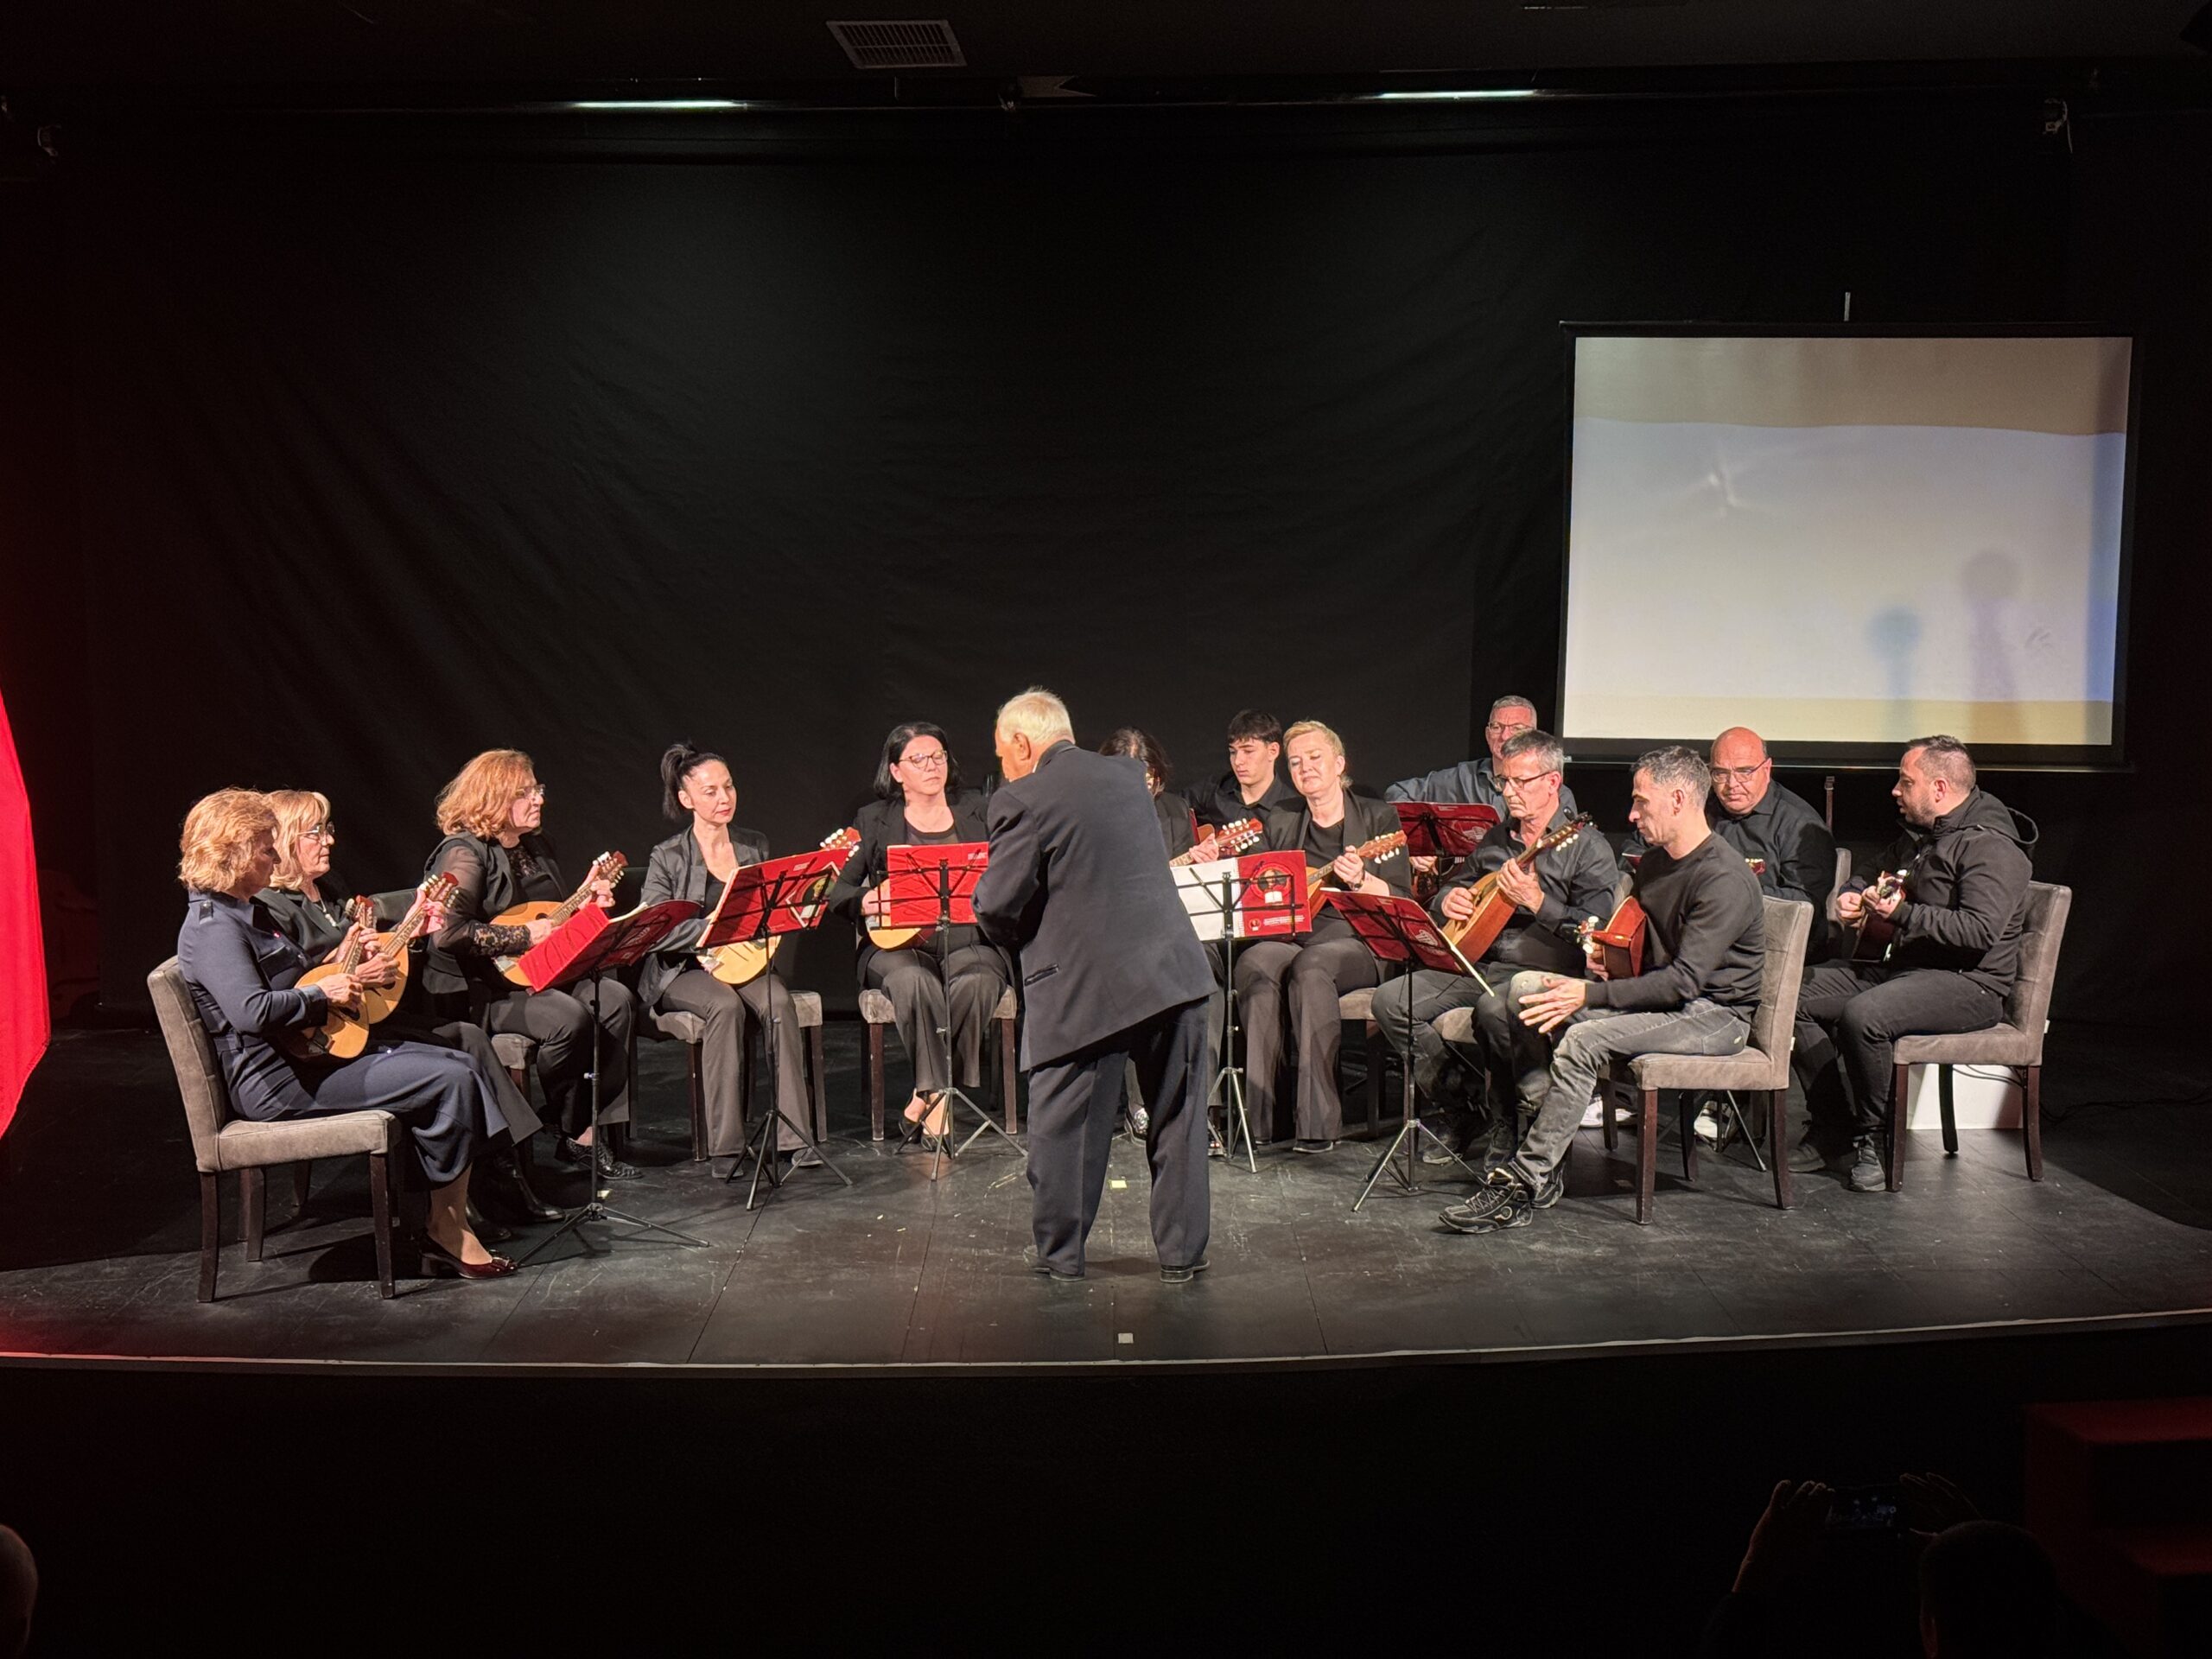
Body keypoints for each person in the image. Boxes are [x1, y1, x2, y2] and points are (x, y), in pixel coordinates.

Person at [174, 789, 514, 1278]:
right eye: (267, 850)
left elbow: (288, 977)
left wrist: (338, 960)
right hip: (277, 1081)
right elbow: (251, 1012)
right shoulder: (214, 927)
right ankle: (446, 1227)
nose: (276, 859)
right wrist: (323, 992)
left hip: (307, 1056)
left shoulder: (244, 911)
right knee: (450, 1079)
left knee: (458, 1061)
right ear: (236, 853)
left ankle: (439, 1217)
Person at [1440, 745, 1765, 1234]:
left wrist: (1586, 995)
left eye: (1641, 802)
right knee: (1524, 991)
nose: (1631, 814)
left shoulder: (1723, 878)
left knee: (1582, 1039)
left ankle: (1522, 1182)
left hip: (1715, 1015)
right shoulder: (1655, 864)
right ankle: (1543, 1140)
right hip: (1668, 1001)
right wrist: (1605, 957)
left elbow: (1683, 981)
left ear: (1678, 800)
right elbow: (1638, 945)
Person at [972, 690, 1215, 1281]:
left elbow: (999, 905)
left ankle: (1062, 1258)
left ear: (1022, 744)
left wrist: (1012, 927)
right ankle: (1182, 1256)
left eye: (1003, 753)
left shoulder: (1022, 797)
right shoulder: (1128, 777)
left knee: (1066, 1136)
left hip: (1085, 988)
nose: (1003, 766)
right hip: (1173, 973)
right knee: (1179, 1121)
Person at [257, 789, 561, 1229]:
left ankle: (500, 1172)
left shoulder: (330, 888)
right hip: (327, 1037)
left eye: (328, 829)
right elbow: (295, 983)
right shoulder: (273, 906)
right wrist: (354, 968)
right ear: (285, 840)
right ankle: (460, 1194)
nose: (329, 841)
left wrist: (405, 935)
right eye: (315, 832)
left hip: (365, 1016)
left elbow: (369, 950)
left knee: (468, 1036)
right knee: (454, 1057)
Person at [1791, 736, 2036, 1192]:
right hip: (1903, 969)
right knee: (1790, 995)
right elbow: (1874, 869)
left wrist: (1901, 913)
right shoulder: (1926, 835)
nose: (1896, 791)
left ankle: (1877, 1138)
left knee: (1865, 1016)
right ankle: (1834, 1126)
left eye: (1906, 782)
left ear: (1939, 788)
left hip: (1968, 984)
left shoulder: (1991, 847)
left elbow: (1978, 931)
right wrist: (1853, 893)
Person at [1370, 730, 1618, 1168]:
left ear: (1552, 782)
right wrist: (1448, 898)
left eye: (1521, 781)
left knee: (1491, 1010)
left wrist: (1538, 902)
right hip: (1477, 961)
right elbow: (1456, 885)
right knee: (1391, 1001)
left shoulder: (1586, 848)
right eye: (1505, 781)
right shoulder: (1497, 837)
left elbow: (1594, 931)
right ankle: (1463, 1103)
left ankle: (1510, 1121)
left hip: (1540, 973)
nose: (1509, 791)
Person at [420, 750, 639, 1180]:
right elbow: (447, 933)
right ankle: (572, 1128)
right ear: (493, 797)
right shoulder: (464, 853)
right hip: (487, 989)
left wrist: (588, 904)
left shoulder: (534, 846)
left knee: (616, 999)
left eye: (537, 789)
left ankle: (580, 1128)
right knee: (568, 1018)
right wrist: (522, 936)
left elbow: (552, 918)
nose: (539, 799)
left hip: (543, 971)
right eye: (525, 792)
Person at [635, 743, 819, 1169]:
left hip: (743, 960)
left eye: (729, 787)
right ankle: (727, 1145)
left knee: (778, 1003)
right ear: (686, 799)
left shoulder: (754, 845)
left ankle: (795, 1137)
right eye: (711, 791)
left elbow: (769, 909)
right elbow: (655, 928)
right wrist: (710, 933)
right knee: (724, 1006)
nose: (724, 798)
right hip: (683, 969)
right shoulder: (668, 855)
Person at [827, 722, 1012, 1143]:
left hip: (968, 939)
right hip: (898, 945)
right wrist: (868, 899)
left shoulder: (980, 811)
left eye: (938, 756)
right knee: (914, 981)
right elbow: (836, 890)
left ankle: (926, 1098)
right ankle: (939, 1098)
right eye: (919, 759)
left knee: (979, 981)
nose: (932, 766)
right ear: (896, 771)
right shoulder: (873, 820)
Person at [1233, 720, 1413, 1152]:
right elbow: (1261, 887)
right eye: (1296, 762)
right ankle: (1264, 1121)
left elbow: (1401, 898)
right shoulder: (1282, 818)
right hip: (1295, 936)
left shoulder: (1377, 817)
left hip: (1358, 941)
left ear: (1339, 763)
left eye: (1315, 758)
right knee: (1255, 962)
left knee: (1312, 967)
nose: (1305, 768)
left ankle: (1318, 1123)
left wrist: (1362, 880)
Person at [1619, 727, 1837, 957]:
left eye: (1745, 772)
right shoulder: (1700, 806)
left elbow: (1805, 903)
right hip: (1691, 940)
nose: (1732, 784)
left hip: (1770, 950)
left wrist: (1722, 893)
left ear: (1767, 769)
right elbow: (1638, 847)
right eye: (1720, 773)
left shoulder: (1799, 824)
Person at [1386, 694, 1581, 817]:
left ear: (1533, 736)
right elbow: (1397, 793)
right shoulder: (1462, 778)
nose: (1504, 736)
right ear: (1488, 735)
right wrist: (1420, 843)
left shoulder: (1553, 791)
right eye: (1497, 727)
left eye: (1516, 729)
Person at [1097, 727, 1197, 858]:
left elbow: (1183, 868)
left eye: (1147, 783)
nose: (1139, 792)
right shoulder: (1088, 816)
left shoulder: (1176, 812)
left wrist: (1199, 862)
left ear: (1157, 779)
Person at [1192, 709, 1297, 830]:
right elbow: (1174, 811)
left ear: (1273, 751)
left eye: (1248, 751)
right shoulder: (1214, 789)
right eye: (1233, 752)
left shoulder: (1291, 808)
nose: (1237, 761)